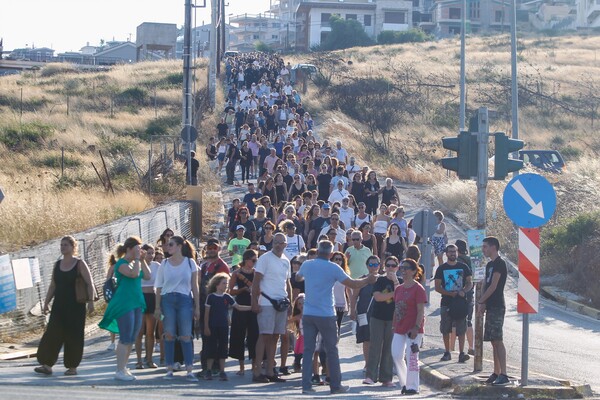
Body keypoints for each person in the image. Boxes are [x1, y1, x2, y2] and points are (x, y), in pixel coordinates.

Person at [295, 240, 377, 395]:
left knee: (308, 350)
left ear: (318, 251)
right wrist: (368, 279)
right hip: (326, 314)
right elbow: (352, 284)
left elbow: (298, 278)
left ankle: (306, 386)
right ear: (331, 254)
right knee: (332, 349)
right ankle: (335, 385)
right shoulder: (334, 267)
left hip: (309, 313)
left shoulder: (307, 265)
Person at [34, 236, 95, 376]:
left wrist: (91, 302)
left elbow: (89, 283)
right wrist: (46, 303)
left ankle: (72, 367)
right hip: (59, 306)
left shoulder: (80, 264)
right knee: (52, 334)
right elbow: (53, 285)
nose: (62, 247)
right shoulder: (57, 264)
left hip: (76, 307)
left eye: (66, 245)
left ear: (73, 247)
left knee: (74, 336)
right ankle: (47, 364)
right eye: (61, 245)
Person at [99, 236, 151, 381]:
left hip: (136, 302)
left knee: (132, 338)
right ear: (129, 249)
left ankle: (124, 367)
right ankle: (119, 370)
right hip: (124, 303)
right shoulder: (121, 263)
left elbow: (147, 276)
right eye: (137, 247)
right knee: (125, 336)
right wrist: (136, 260)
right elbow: (133, 274)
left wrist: (142, 260)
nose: (140, 250)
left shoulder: (137, 263)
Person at [154, 235, 200, 382]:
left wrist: (197, 306)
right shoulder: (164, 264)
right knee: (169, 334)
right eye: (168, 245)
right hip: (168, 300)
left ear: (180, 246)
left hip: (185, 299)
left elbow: (195, 286)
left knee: (186, 335)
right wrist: (157, 307)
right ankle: (169, 368)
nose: (168, 247)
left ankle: (189, 369)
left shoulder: (189, 262)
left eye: (171, 244)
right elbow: (159, 286)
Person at [251, 233, 292, 383]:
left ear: (286, 245)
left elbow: (287, 284)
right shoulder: (265, 258)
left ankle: (269, 370)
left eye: (281, 242)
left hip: (281, 302)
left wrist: (291, 303)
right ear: (272, 243)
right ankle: (256, 372)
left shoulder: (286, 261)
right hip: (266, 302)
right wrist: (254, 302)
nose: (278, 245)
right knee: (264, 335)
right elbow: (256, 281)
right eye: (276, 242)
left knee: (275, 336)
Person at [204, 273, 252, 381]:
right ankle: (208, 370)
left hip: (224, 326)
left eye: (226, 283)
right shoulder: (210, 297)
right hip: (212, 326)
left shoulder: (227, 297)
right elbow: (207, 313)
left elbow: (238, 307)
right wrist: (206, 327)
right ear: (217, 284)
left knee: (223, 348)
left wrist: (252, 307)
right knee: (211, 348)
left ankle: (222, 371)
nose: (226, 285)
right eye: (223, 283)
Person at [363, 256, 400, 387]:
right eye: (388, 265)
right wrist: (393, 294)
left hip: (392, 319)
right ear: (384, 266)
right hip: (377, 317)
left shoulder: (399, 281)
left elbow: (400, 297)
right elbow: (378, 297)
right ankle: (370, 376)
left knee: (389, 348)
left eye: (393, 265)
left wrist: (395, 281)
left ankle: (386, 378)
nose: (390, 268)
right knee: (375, 346)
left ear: (397, 267)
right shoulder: (380, 280)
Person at [391, 258, 427, 395]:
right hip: (400, 327)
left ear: (413, 271)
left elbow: (421, 311)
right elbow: (396, 308)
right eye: (402, 268)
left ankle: (413, 387)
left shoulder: (418, 289)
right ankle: (405, 383)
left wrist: (416, 327)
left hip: (414, 329)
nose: (403, 271)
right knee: (396, 354)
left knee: (412, 357)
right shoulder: (399, 289)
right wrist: (394, 325)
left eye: (406, 268)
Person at [478, 236, 509, 386]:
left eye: (485, 246)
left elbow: (494, 285)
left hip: (497, 305)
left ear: (493, 247)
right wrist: (483, 303)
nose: (483, 249)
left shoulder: (500, 264)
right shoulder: (489, 265)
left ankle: (504, 373)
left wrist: (482, 301)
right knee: (492, 340)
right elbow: (486, 283)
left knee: (498, 340)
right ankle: (496, 372)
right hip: (490, 306)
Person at [434, 244, 473, 363]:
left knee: (461, 327)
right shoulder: (441, 269)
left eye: (454, 251)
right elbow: (437, 286)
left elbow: (470, 283)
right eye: (450, 251)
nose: (452, 254)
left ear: (457, 252)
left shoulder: (464, 267)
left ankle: (462, 353)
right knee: (446, 328)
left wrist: (464, 291)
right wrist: (449, 293)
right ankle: (447, 352)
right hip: (446, 302)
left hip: (460, 302)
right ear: (446, 253)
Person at [198, 238, 230, 374]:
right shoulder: (204, 266)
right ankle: (206, 367)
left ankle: (215, 367)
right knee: (206, 337)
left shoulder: (222, 266)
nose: (211, 250)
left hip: (216, 306)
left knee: (215, 338)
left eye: (214, 248)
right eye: (209, 248)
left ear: (219, 249)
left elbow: (225, 288)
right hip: (204, 304)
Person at [228, 250, 259, 376]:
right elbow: (230, 291)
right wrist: (242, 289)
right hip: (240, 304)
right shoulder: (236, 273)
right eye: (253, 260)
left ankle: (253, 365)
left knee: (254, 335)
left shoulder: (256, 273)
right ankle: (241, 366)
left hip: (253, 305)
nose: (255, 262)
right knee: (239, 334)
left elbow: (260, 289)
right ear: (246, 260)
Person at [135, 244, 160, 369]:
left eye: (152, 253)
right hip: (140, 298)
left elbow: (160, 283)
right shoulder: (137, 265)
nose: (150, 255)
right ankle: (138, 360)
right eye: (148, 253)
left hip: (152, 298)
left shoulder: (157, 266)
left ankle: (149, 359)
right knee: (139, 332)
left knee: (151, 332)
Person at [455, 239, 474, 355]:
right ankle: (471, 347)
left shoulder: (456, 261)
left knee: (454, 322)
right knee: (468, 321)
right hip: (469, 293)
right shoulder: (471, 260)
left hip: (457, 292)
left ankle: (451, 348)